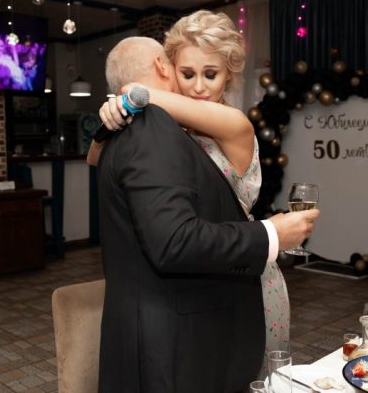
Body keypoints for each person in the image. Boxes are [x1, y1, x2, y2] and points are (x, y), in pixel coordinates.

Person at [93, 35, 319, 392]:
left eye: (210, 74)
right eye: (187, 73)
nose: (198, 86)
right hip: (198, 292)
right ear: (165, 66)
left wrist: (129, 96)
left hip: (239, 275)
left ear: (228, 78)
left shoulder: (228, 121)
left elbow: (140, 103)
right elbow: (100, 160)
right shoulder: (158, 126)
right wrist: (112, 118)